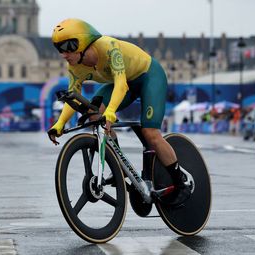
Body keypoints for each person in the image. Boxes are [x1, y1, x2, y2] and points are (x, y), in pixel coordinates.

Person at [47, 18, 190, 204]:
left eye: (68, 46)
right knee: (93, 114)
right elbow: (73, 96)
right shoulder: (74, 66)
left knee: (150, 133)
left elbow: (121, 85)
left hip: (148, 76)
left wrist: (111, 111)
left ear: (82, 42)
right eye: (59, 48)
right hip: (123, 83)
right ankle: (119, 167)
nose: (63, 54)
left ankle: (181, 183)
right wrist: (59, 124)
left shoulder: (109, 47)